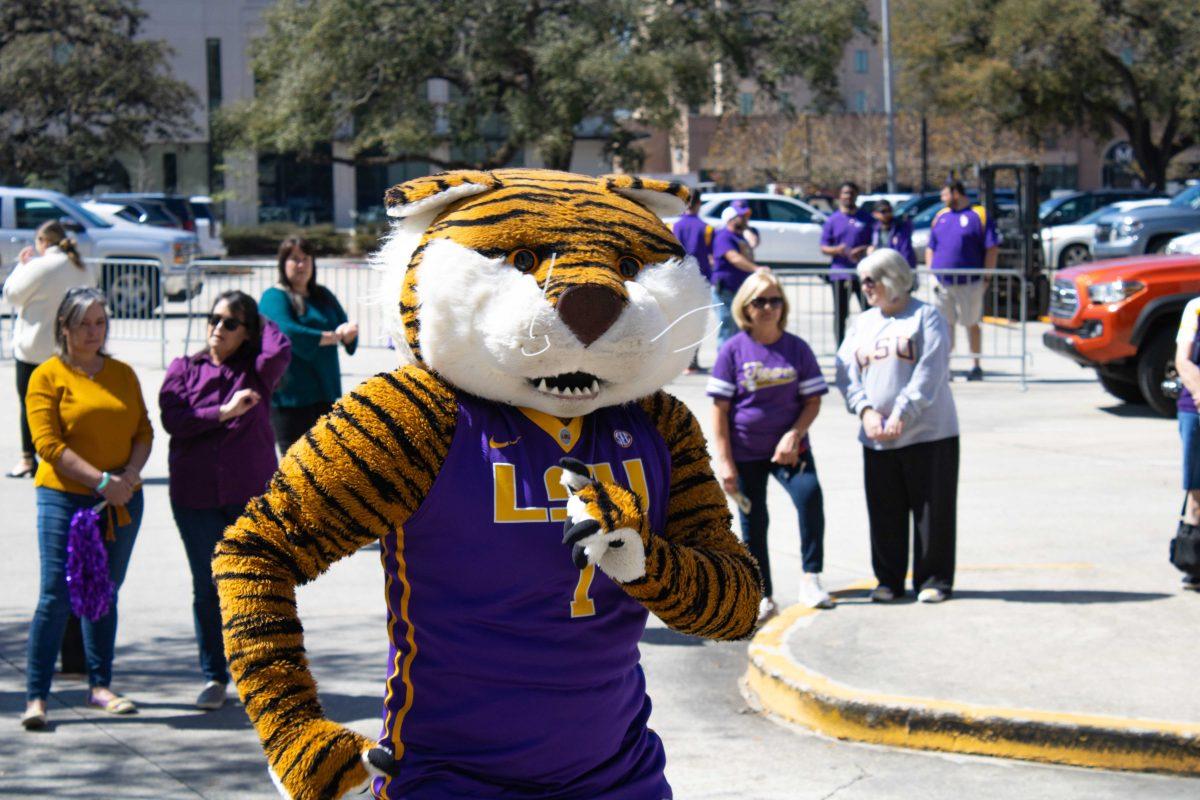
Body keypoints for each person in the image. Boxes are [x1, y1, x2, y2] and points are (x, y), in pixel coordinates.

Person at [21, 287, 152, 729]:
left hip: (120, 498)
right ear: (65, 327)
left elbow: (143, 431)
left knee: (104, 593)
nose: (94, 332)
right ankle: (37, 695)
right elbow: (47, 445)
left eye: (100, 322)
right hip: (65, 497)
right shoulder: (47, 375)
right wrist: (100, 482)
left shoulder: (122, 373)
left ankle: (101, 685)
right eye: (84, 323)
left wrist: (128, 479)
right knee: (56, 595)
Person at [159, 290, 291, 710]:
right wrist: (223, 413)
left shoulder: (256, 372)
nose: (218, 328)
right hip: (194, 496)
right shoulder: (184, 368)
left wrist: (262, 312)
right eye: (213, 319)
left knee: (255, 584)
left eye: (231, 323)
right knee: (207, 585)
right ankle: (215, 675)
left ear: (247, 332)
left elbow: (280, 348)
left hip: (246, 496)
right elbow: (173, 420)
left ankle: (259, 674)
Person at [835, 249, 959, 604]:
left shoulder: (926, 317)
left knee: (931, 510)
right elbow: (846, 371)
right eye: (862, 281)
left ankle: (933, 579)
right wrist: (866, 412)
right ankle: (888, 579)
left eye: (871, 280)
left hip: (928, 433)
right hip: (877, 436)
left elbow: (930, 372)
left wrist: (902, 413)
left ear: (892, 278)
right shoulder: (862, 323)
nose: (866, 287)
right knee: (884, 508)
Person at [709, 269, 831, 620]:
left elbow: (813, 401)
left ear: (783, 306)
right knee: (754, 521)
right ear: (745, 307)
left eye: (774, 300)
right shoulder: (732, 350)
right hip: (745, 452)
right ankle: (763, 594)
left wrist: (794, 434)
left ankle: (811, 578)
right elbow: (720, 411)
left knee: (810, 499)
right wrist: (725, 462)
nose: (767, 307)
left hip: (790, 452)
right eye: (759, 301)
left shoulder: (796, 348)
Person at [2, 221, 96, 479]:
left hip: (36, 348)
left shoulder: (38, 266)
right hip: (70, 348)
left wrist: (21, 267)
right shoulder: (80, 266)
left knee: (31, 405)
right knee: (66, 407)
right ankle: (68, 458)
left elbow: (11, 294)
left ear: (43, 241)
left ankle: (26, 458)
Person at [259, 237, 358, 453]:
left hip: (325, 392)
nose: (301, 265)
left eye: (306, 259)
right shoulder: (273, 296)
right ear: (283, 263)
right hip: (291, 397)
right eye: (295, 259)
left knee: (327, 461)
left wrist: (349, 334)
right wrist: (331, 337)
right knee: (295, 465)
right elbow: (287, 332)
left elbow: (343, 323)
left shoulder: (322, 295)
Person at [925, 181, 999, 381]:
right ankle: (945, 367)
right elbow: (930, 246)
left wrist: (986, 276)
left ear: (956, 193)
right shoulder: (941, 216)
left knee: (971, 322)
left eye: (944, 194)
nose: (942, 199)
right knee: (945, 325)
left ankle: (975, 365)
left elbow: (991, 248)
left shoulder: (978, 215)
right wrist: (932, 272)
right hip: (942, 283)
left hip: (970, 282)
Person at [820, 181, 874, 345]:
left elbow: (875, 242)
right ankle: (841, 348)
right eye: (845, 193)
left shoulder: (866, 218)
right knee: (841, 314)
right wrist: (837, 250)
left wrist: (864, 249)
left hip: (863, 274)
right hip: (840, 274)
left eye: (851, 193)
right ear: (839, 196)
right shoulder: (832, 220)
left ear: (856, 195)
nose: (848, 196)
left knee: (869, 312)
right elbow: (823, 247)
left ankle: (869, 344)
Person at [1172, 297, 1200, 591]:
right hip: (1194, 407)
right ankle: (1196, 564)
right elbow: (1183, 359)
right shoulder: (1196, 308)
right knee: (1197, 488)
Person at [711, 207, 763, 348]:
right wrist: (756, 269)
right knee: (728, 326)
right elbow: (734, 258)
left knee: (741, 326)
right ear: (731, 219)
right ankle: (724, 364)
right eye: (742, 216)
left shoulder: (740, 236)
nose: (746, 219)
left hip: (739, 289)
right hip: (726, 289)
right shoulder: (724, 236)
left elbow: (753, 245)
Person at [672, 192, 713, 372]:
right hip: (701, 280)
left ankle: (681, 363)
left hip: (680, 280)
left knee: (681, 323)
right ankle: (692, 363)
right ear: (699, 204)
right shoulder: (707, 228)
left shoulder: (674, 226)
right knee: (697, 322)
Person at [869, 199, 916, 267]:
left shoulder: (901, 227)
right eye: (883, 211)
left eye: (889, 210)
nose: (887, 214)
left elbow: (905, 250)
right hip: (881, 266)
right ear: (875, 214)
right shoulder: (874, 229)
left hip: (900, 267)